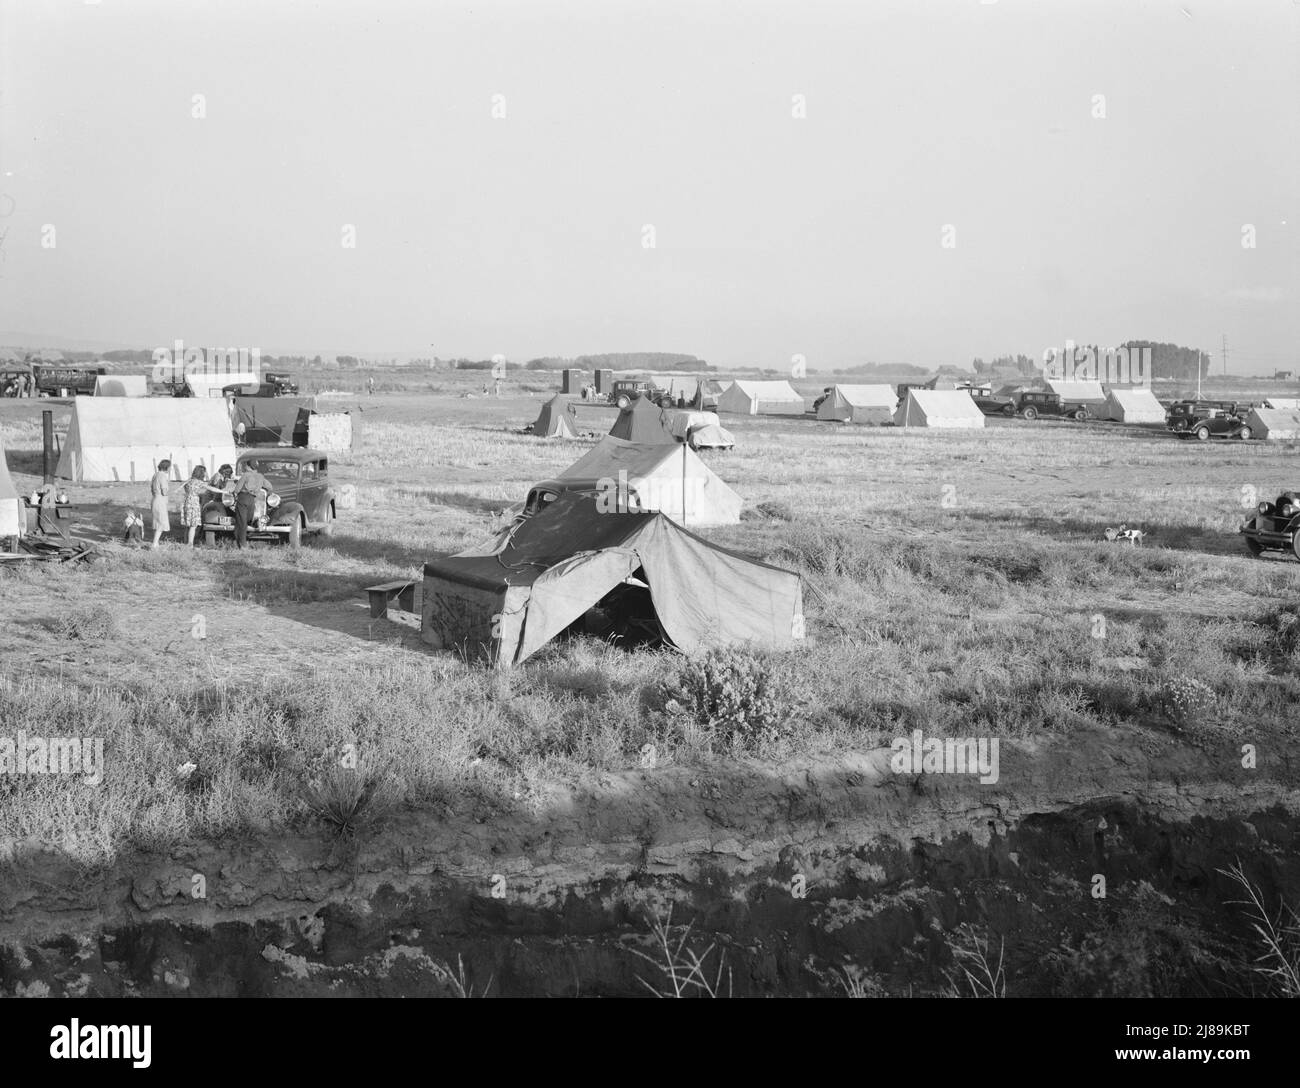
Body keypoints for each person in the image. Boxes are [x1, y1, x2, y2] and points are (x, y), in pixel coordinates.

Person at [180, 465, 223, 547]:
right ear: (201, 473)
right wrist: (223, 492)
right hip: (194, 503)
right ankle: (190, 544)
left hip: (186, 502)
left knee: (188, 525)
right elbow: (212, 489)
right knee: (193, 525)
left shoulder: (189, 481)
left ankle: (185, 542)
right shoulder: (199, 482)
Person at [230, 461, 269, 549]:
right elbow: (270, 487)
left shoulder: (246, 475)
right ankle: (236, 543)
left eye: (246, 466)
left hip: (243, 498)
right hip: (252, 500)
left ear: (248, 466)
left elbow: (237, 489)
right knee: (245, 520)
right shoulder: (260, 476)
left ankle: (243, 545)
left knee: (242, 522)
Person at [149, 459, 172, 548]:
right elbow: (164, 492)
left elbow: (152, 489)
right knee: (162, 523)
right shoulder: (162, 476)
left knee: (158, 522)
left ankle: (156, 543)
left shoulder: (155, 475)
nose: (170, 469)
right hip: (160, 501)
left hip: (154, 499)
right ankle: (154, 544)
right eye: (170, 467)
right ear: (167, 467)